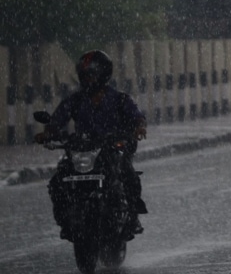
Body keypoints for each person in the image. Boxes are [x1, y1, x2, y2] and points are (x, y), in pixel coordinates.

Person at [36, 50, 147, 240]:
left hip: (111, 149)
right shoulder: (75, 100)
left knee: (128, 175)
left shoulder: (119, 99)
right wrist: (47, 133)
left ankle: (132, 217)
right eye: (85, 75)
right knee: (58, 181)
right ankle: (65, 220)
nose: (88, 79)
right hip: (83, 150)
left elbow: (137, 117)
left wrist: (138, 128)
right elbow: (57, 120)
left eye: (92, 74)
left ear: (103, 74)